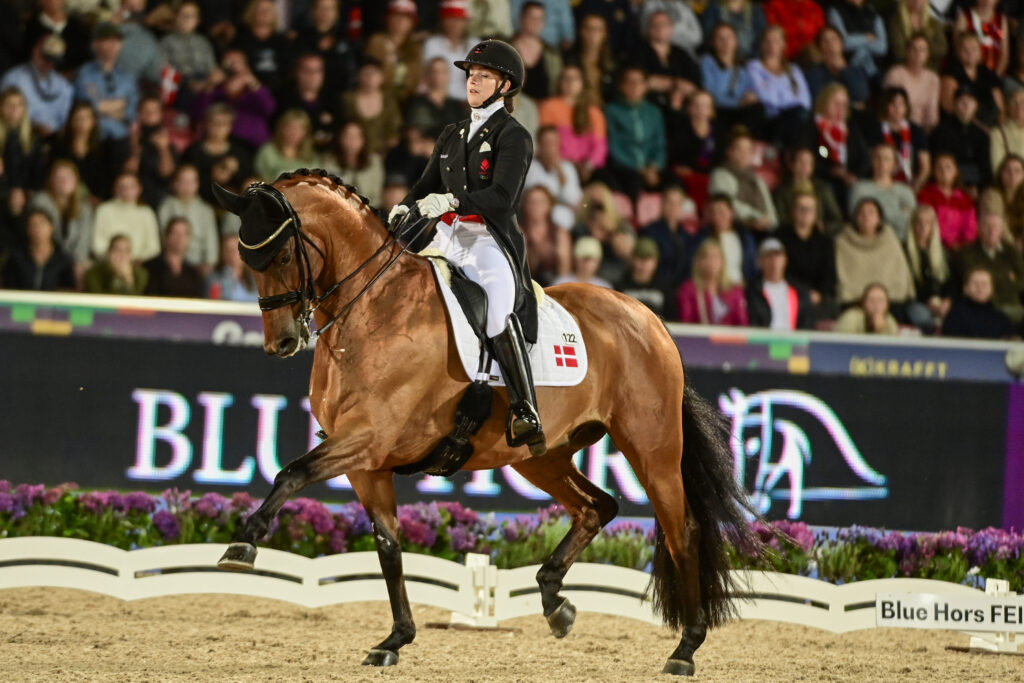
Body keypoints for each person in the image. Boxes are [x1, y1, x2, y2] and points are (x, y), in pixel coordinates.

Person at [388, 39, 545, 455]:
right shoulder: (452, 133)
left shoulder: (514, 136)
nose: (472, 82)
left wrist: (453, 201)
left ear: (505, 86)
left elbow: (503, 198)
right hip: (445, 235)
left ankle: (525, 408)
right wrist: (403, 207)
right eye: (471, 75)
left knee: (496, 307)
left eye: (483, 76)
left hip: (487, 239)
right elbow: (425, 185)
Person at [74, 22, 138, 171]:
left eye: (116, 41)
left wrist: (105, 106)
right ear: (96, 44)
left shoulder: (127, 76)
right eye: (107, 41)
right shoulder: (85, 73)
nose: (112, 46)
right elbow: (91, 106)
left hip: (120, 138)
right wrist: (119, 105)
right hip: (93, 136)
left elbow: (131, 111)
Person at [835, 197, 916, 311]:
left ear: (879, 218)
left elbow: (900, 274)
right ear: (855, 218)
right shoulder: (842, 242)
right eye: (861, 213)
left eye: (871, 213)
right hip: (853, 304)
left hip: (892, 303)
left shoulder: (890, 240)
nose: (866, 217)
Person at [602, 65, 666, 204]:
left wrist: (654, 166)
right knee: (633, 182)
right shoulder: (611, 111)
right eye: (630, 82)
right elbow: (614, 146)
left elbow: (659, 144)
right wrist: (639, 169)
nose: (635, 86)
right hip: (624, 168)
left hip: (651, 169)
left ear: (646, 86)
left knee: (673, 184)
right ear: (621, 86)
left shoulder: (654, 112)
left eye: (639, 82)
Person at [537, 63, 607, 180]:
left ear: (582, 83)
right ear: (560, 82)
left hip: (589, 167)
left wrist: (588, 165)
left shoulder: (594, 113)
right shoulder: (549, 107)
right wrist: (563, 162)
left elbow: (600, 146)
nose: (570, 82)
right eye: (566, 78)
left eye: (575, 78)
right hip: (558, 164)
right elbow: (546, 141)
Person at [954, 210, 1024, 326]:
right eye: (987, 227)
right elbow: (972, 282)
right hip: (980, 307)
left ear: (1001, 230)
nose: (992, 231)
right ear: (979, 229)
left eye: (996, 227)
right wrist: (1007, 278)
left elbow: (1022, 280)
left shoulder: (1011, 251)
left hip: (1012, 306)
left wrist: (990, 280)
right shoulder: (966, 253)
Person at [745, 25, 811, 145]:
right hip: (769, 119)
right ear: (762, 44)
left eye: (775, 41)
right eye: (767, 41)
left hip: (794, 117)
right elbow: (763, 95)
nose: (771, 45)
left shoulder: (794, 70)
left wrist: (772, 92)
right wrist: (789, 98)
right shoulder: (753, 67)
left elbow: (805, 101)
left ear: (783, 44)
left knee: (800, 116)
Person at [776, 191, 838, 318]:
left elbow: (829, 275)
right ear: (793, 211)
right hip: (787, 293)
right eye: (801, 208)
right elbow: (778, 271)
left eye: (809, 209)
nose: (805, 213)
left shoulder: (825, 242)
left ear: (815, 214)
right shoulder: (780, 238)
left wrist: (819, 294)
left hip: (818, 297)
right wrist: (802, 293)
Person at [0, 34, 74, 137]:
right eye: (46, 58)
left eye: (54, 60)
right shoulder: (13, 79)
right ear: (35, 51)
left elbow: (65, 118)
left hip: (55, 138)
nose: (50, 64)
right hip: (19, 136)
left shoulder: (64, 85)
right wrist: (33, 126)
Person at [27, 160, 94, 270]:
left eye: (69, 177)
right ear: (51, 180)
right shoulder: (40, 201)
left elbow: (84, 241)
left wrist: (78, 262)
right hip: (48, 259)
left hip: (74, 262)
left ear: (76, 180)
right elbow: (42, 236)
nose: (64, 181)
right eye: (59, 177)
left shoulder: (85, 208)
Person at [708, 127, 778, 233]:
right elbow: (726, 206)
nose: (744, 154)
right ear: (729, 151)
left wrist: (770, 222)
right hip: (734, 228)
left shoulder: (757, 179)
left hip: (763, 229)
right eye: (739, 149)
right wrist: (755, 218)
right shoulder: (720, 174)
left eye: (748, 150)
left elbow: (770, 209)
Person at [812, 83, 869, 208]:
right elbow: (813, 157)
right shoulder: (813, 127)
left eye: (843, 105)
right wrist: (832, 171)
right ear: (824, 103)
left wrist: (854, 176)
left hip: (849, 181)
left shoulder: (850, 129)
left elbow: (865, 158)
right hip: (824, 179)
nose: (840, 108)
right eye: (836, 103)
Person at [183, 104, 252, 205]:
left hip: (233, 206)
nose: (219, 127)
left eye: (223, 123)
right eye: (214, 123)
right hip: (198, 203)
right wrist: (212, 176)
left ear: (230, 127)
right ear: (206, 124)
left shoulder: (239, 152)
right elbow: (185, 181)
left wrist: (234, 171)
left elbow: (248, 181)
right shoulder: (193, 151)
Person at [700, 23, 763, 134]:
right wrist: (737, 103)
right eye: (720, 38)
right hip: (720, 109)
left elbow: (751, 88)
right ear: (713, 43)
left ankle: (745, 139)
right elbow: (710, 93)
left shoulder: (743, 66)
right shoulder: (707, 62)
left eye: (729, 37)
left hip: (740, 109)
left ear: (736, 41)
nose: (726, 42)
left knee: (758, 107)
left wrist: (752, 96)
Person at [865, 87, 931, 192]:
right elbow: (872, 163)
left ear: (906, 107)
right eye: (892, 104)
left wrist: (914, 188)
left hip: (911, 183)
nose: (897, 108)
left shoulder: (916, 131)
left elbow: (925, 167)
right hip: (883, 184)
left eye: (901, 104)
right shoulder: (875, 131)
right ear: (885, 106)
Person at [156, 164, 219, 274]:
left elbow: (211, 242)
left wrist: (209, 264)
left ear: (197, 184)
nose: (187, 186)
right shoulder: (166, 207)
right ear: (175, 184)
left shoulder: (206, 211)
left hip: (198, 264)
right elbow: (162, 238)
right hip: (171, 263)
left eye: (191, 182)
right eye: (183, 181)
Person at [848, 144, 917, 241]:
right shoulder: (860, 189)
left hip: (902, 242)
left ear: (895, 163)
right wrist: (900, 213)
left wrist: (879, 217)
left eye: (887, 159)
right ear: (871, 161)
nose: (882, 163)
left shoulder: (906, 191)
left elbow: (912, 222)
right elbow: (857, 221)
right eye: (877, 158)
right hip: (869, 242)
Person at [276, 53, 342, 153]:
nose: (312, 76)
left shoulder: (333, 100)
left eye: (317, 71)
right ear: (297, 73)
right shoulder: (283, 100)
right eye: (307, 71)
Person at [930, 86, 991, 191]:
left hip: (975, 186)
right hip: (947, 184)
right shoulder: (941, 131)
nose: (966, 105)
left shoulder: (982, 135)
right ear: (954, 105)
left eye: (970, 101)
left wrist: (976, 186)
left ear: (976, 105)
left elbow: (985, 168)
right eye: (961, 101)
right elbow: (938, 163)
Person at [746, 238, 815, 330]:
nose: (774, 260)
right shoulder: (752, 292)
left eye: (778, 255)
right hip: (764, 338)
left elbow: (807, 323)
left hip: (794, 338)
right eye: (768, 256)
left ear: (785, 259)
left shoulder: (800, 291)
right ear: (760, 261)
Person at [676, 238, 748, 326]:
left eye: (715, 257)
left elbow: (742, 324)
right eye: (705, 257)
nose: (710, 262)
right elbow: (686, 322)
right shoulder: (688, 289)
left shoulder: (735, 291)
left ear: (723, 262)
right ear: (697, 262)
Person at [638, 9, 700, 108]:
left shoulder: (682, 53)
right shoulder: (638, 52)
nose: (660, 28)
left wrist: (663, 83)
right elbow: (641, 81)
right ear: (648, 29)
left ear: (671, 28)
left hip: (682, 106)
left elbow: (694, 86)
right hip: (648, 104)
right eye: (655, 25)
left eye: (664, 24)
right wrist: (676, 84)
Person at [774, 147, 843, 236]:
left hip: (819, 236)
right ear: (792, 164)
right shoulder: (782, 191)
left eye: (809, 163)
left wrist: (824, 227)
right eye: (801, 162)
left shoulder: (822, 188)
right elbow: (780, 220)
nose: (804, 166)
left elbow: (837, 219)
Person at [904, 204, 952, 332]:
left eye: (928, 223)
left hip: (940, 302)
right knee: (922, 317)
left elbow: (951, 282)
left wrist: (947, 301)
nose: (923, 227)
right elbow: (907, 286)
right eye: (919, 223)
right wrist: (928, 302)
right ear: (912, 225)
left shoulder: (943, 252)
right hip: (916, 302)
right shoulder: (904, 251)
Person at [92, 171, 161, 261]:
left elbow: (154, 247)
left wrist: (134, 259)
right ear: (115, 189)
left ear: (139, 189)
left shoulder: (146, 212)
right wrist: (115, 258)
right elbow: (97, 244)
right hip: (108, 261)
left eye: (131, 186)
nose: (127, 190)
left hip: (139, 262)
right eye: (123, 187)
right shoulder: (104, 210)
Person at [159, 1, 219, 106]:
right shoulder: (166, 42)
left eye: (191, 16)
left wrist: (210, 81)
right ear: (176, 17)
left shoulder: (203, 42)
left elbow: (212, 68)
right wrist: (188, 82)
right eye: (183, 15)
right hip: (181, 86)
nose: (186, 19)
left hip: (204, 83)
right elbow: (165, 71)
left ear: (197, 21)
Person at [641, 184, 700, 288]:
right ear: (662, 204)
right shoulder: (650, 232)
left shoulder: (687, 237)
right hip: (657, 287)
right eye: (670, 202)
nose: (673, 207)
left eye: (678, 204)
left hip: (682, 289)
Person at [1, 209, 75, 291]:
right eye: (33, 225)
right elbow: (9, 288)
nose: (38, 229)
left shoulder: (63, 260)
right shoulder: (16, 258)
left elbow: (69, 289)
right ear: (28, 230)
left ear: (52, 227)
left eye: (42, 223)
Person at [341, 58, 403, 155]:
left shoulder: (389, 101)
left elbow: (395, 131)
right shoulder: (348, 100)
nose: (370, 78)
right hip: (353, 153)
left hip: (384, 154)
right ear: (358, 76)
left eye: (374, 73)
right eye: (366, 74)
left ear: (382, 77)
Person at [50, 102, 111, 199]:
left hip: (95, 200)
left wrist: (97, 197)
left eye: (86, 118)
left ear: (93, 121)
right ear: (71, 121)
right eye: (78, 118)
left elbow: (106, 180)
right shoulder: (59, 148)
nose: (82, 122)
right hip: (64, 197)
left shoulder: (103, 149)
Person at [916, 154, 978, 251]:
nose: (944, 171)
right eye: (939, 168)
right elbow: (923, 223)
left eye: (948, 167)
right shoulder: (925, 194)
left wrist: (962, 245)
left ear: (956, 171)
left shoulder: (965, 199)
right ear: (934, 172)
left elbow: (970, 229)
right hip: (933, 246)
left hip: (961, 249)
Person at [941, 32, 1003, 129]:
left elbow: (1000, 108)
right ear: (958, 52)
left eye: (973, 49)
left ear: (980, 52)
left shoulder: (988, 74)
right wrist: (980, 128)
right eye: (965, 49)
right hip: (963, 126)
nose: (969, 53)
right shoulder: (950, 73)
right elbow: (949, 107)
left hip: (992, 125)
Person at [524, 126, 582, 230]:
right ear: (539, 145)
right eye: (547, 143)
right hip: (536, 217)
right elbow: (534, 195)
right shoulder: (530, 167)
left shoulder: (567, 168)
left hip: (564, 220)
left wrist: (560, 172)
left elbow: (574, 200)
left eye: (554, 143)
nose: (550, 148)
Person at [693, 193, 757, 286]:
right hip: (713, 288)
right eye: (712, 212)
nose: (716, 216)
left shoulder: (745, 238)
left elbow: (751, 266)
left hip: (740, 287)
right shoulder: (702, 238)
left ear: (731, 212)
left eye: (721, 212)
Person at [364, 0, 422, 102]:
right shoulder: (376, 42)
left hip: (407, 100)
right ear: (388, 18)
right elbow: (368, 73)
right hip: (379, 98)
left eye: (406, 17)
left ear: (412, 22)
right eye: (396, 16)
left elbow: (416, 79)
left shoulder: (415, 48)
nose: (401, 21)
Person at [421, 0, 479, 103]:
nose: (455, 24)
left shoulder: (475, 44)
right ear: (442, 21)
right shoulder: (432, 44)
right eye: (450, 19)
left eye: (459, 19)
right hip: (438, 101)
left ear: (466, 22)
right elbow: (425, 78)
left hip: (469, 102)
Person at [883, 33, 941, 133]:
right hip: (899, 127)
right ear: (907, 52)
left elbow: (932, 113)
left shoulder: (933, 78)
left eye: (922, 50)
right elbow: (892, 109)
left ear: (928, 54)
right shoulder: (895, 74)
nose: (918, 53)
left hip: (923, 130)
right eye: (914, 49)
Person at [803, 26, 869, 111]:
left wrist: (843, 69)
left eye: (834, 39)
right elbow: (818, 99)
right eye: (825, 41)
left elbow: (861, 95)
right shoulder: (813, 73)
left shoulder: (856, 69)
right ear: (819, 46)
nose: (830, 44)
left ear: (841, 44)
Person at [405, 57, 470, 141]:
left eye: (443, 71)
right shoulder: (416, 103)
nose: (438, 75)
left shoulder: (457, 106)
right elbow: (414, 138)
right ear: (427, 75)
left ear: (448, 75)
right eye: (434, 71)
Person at [321, 121, 385, 207]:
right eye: (348, 136)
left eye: (356, 136)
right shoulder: (329, 161)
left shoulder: (374, 162)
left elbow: (376, 196)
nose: (352, 141)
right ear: (340, 138)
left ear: (363, 140)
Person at [942, 267, 1016, 338]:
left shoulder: (1001, 319)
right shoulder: (955, 316)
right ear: (965, 288)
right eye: (975, 283)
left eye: (984, 284)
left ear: (992, 288)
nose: (980, 288)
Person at [511, 2, 564, 101]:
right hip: (511, 105)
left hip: (544, 107)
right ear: (522, 18)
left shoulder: (552, 54)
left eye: (540, 19)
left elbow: (556, 88)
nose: (536, 22)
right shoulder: (507, 48)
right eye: (531, 17)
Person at [0, 88, 46, 201]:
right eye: (9, 104)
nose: (14, 109)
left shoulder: (33, 136)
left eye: (19, 104)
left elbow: (38, 171)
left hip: (27, 194)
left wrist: (26, 192)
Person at [520, 185, 570, 285]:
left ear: (549, 206)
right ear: (524, 205)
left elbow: (565, 271)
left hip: (554, 285)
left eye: (541, 202)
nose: (536, 206)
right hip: (526, 284)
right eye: (532, 202)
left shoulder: (559, 233)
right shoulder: (518, 231)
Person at [616, 237, 677, 319]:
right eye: (640, 258)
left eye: (649, 259)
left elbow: (672, 319)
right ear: (632, 259)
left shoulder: (664, 288)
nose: (644, 264)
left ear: (656, 261)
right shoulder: (620, 287)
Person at [144, 216, 205, 298]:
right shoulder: (150, 268)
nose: (180, 238)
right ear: (166, 236)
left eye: (185, 234)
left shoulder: (193, 274)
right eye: (175, 233)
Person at [826, 0, 887, 80]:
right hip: (849, 66)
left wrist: (858, 44)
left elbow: (882, 47)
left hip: (876, 67)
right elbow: (843, 43)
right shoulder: (835, 11)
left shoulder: (873, 13)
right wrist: (867, 38)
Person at [253, 109, 319, 182]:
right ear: (281, 128)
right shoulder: (268, 151)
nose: (294, 132)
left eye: (300, 128)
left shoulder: (311, 156)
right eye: (290, 127)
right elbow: (260, 179)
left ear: (306, 132)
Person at [887, 0, 947, 71]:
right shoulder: (896, 21)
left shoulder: (933, 22)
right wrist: (924, 51)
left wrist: (915, 49)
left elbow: (942, 48)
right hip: (904, 69)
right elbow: (899, 52)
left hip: (930, 69)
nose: (917, 1)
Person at [955, 0, 1009, 77]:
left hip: (994, 73)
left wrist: (995, 78)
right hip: (969, 74)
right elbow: (958, 50)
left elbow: (1004, 55)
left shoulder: (1001, 19)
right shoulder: (964, 17)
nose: (987, 1)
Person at [700, 0, 766, 61]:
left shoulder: (755, 11)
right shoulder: (715, 8)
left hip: (748, 61)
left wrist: (750, 62)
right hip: (720, 60)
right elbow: (708, 38)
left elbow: (761, 41)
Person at [84, 233, 148, 295]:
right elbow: (100, 299)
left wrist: (129, 280)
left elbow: (138, 300)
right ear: (109, 252)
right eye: (117, 250)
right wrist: (115, 275)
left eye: (126, 250)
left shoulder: (141, 274)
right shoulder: (94, 273)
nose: (122, 255)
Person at [206, 233, 258, 301]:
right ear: (222, 253)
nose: (231, 254)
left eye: (235, 249)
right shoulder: (213, 278)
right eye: (227, 250)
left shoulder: (255, 278)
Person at [834, 283, 901, 334]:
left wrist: (878, 330)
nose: (876, 305)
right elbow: (840, 345)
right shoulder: (851, 318)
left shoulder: (890, 321)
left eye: (880, 301)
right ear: (863, 304)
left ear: (887, 305)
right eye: (871, 300)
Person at [991, 89, 1024, 172]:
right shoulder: (998, 133)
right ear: (1008, 107)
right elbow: (997, 168)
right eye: (1014, 103)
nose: (1019, 108)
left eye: (1023, 103)